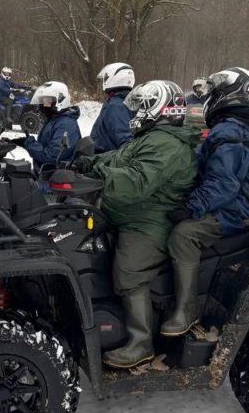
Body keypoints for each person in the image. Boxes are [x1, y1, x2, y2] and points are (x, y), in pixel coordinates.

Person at [74, 80, 200, 369]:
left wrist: (101, 175)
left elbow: (135, 182)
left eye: (142, 106)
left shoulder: (167, 144)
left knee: (129, 270)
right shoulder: (152, 136)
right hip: (132, 213)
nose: (136, 112)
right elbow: (120, 157)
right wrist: (88, 162)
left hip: (150, 222)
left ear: (160, 108)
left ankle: (140, 342)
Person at [163, 67, 249, 336]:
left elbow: (223, 184)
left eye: (215, 91)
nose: (209, 97)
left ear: (231, 94)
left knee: (183, 234)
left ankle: (187, 310)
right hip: (229, 203)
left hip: (233, 211)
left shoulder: (231, 132)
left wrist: (191, 207)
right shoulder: (232, 127)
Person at [10, 81, 81, 171]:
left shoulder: (66, 124)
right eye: (43, 101)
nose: (43, 105)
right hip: (46, 172)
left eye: (47, 101)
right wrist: (24, 142)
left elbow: (52, 156)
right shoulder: (54, 119)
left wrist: (28, 143)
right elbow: (46, 145)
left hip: (57, 176)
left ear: (60, 100)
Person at [91, 63, 135, 153]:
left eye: (105, 78)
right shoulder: (127, 101)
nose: (103, 82)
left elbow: (125, 137)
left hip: (105, 159)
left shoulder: (116, 105)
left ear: (115, 78)